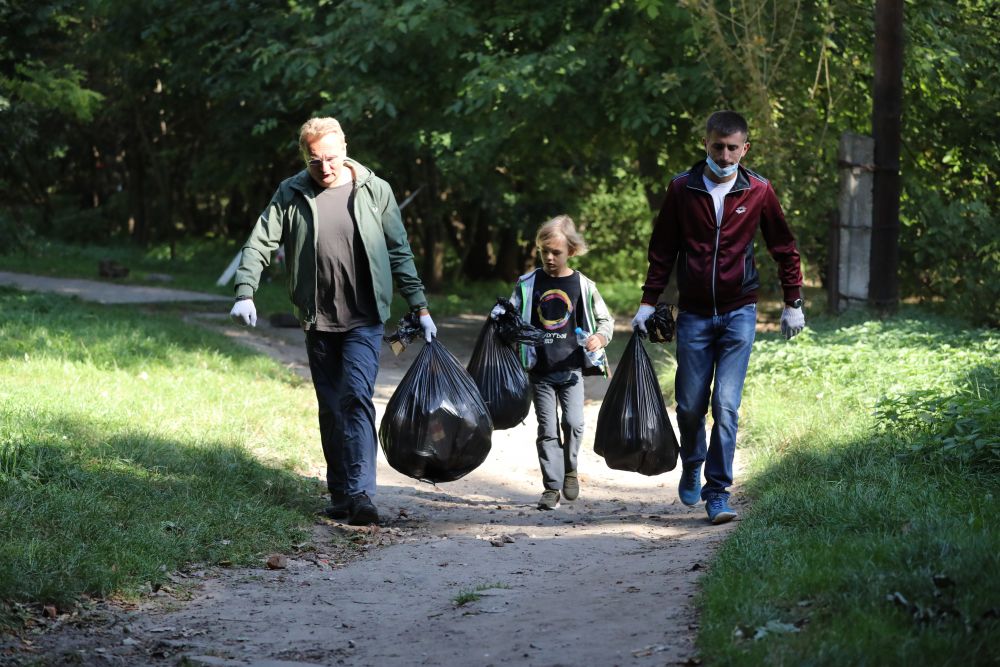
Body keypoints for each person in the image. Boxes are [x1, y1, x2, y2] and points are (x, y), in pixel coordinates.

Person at [229, 117, 436, 526]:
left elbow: (399, 251)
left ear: (344, 148)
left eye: (330, 158)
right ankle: (340, 493)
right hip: (317, 318)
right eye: (314, 160)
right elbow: (259, 242)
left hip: (364, 317)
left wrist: (420, 306)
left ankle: (361, 494)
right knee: (331, 407)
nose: (324, 167)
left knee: (356, 397)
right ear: (304, 157)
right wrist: (245, 291)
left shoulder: (375, 190)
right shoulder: (291, 192)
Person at [632, 110, 804, 525]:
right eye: (717, 147)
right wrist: (648, 301)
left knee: (726, 405)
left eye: (732, 148)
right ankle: (693, 460)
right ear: (705, 145)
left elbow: (783, 246)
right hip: (693, 315)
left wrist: (793, 302)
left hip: (739, 312)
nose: (724, 156)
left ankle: (717, 492)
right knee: (690, 406)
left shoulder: (759, 190)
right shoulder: (681, 188)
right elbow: (662, 249)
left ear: (745, 149)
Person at [494, 215, 614, 510]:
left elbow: (605, 320)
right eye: (544, 251)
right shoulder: (528, 284)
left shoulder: (583, 285)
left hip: (572, 370)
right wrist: (501, 319)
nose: (549, 257)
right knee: (547, 431)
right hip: (540, 370)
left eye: (556, 252)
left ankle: (570, 470)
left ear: (571, 251)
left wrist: (600, 337)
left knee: (573, 423)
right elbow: (509, 314)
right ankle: (551, 486)